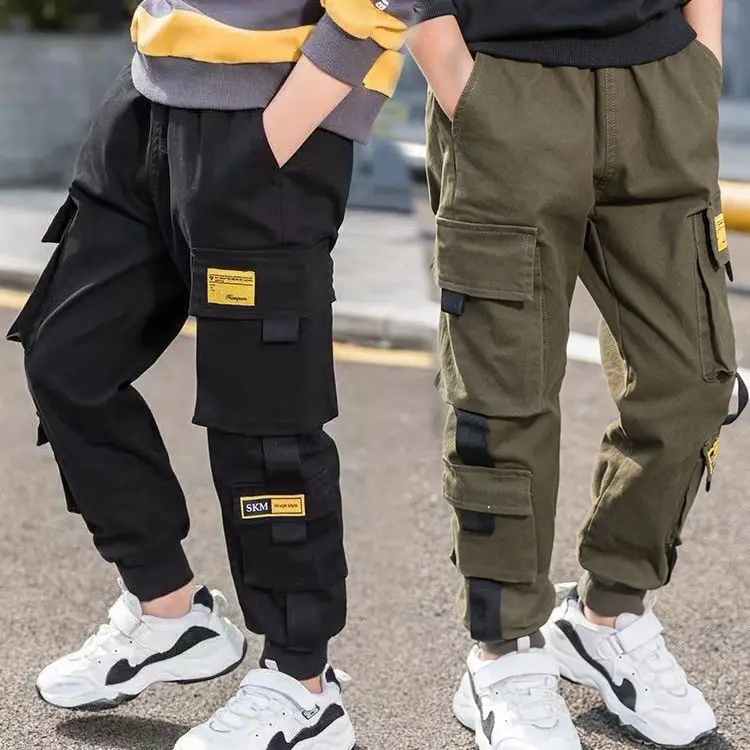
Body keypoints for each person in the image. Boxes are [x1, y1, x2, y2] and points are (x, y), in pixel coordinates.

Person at [8, 2, 413, 749]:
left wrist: (275, 135)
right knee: (66, 360)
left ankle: (303, 685)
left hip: (271, 114)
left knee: (262, 424)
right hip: (149, 98)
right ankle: (169, 611)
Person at [409, 1, 744, 748]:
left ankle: (608, 615)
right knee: (504, 397)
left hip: (662, 82)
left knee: (694, 379)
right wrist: (452, 67)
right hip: (504, 80)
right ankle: (502, 654)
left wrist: (702, 57)